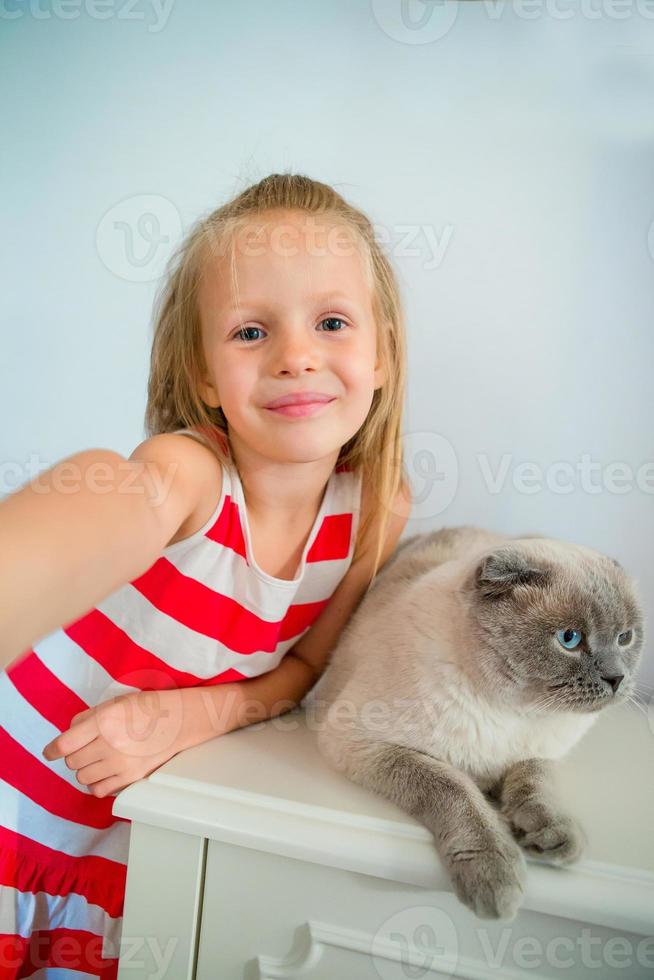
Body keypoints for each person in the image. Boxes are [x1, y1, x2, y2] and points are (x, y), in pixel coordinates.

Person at [0, 172, 412, 978]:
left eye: (331, 322)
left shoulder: (374, 512)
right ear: (201, 377)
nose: (296, 356)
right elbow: (124, 498)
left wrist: (194, 716)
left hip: (113, 855)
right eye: (250, 333)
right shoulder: (185, 474)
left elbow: (300, 671)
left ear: (381, 357)